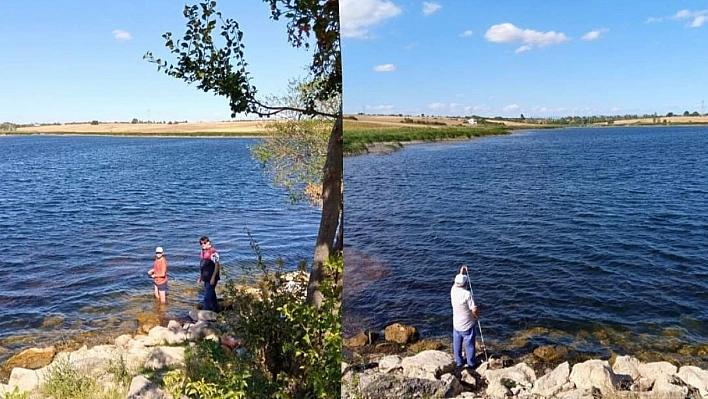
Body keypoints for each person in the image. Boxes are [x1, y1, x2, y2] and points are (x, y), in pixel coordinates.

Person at [451, 265, 480, 369]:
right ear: (465, 284)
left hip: (456, 324)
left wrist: (461, 272)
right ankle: (471, 363)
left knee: (457, 344)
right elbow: (474, 309)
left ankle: (459, 362)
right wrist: (477, 316)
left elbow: (458, 282)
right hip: (467, 325)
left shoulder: (453, 290)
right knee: (470, 345)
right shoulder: (467, 294)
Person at [197, 236, 220, 311]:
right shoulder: (203, 252)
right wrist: (200, 277)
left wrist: (213, 277)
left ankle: (204, 315)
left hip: (211, 278)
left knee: (206, 298)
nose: (202, 245)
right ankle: (216, 309)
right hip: (206, 277)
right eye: (201, 243)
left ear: (208, 242)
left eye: (204, 243)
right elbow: (203, 266)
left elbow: (217, 265)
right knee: (212, 295)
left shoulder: (213, 252)